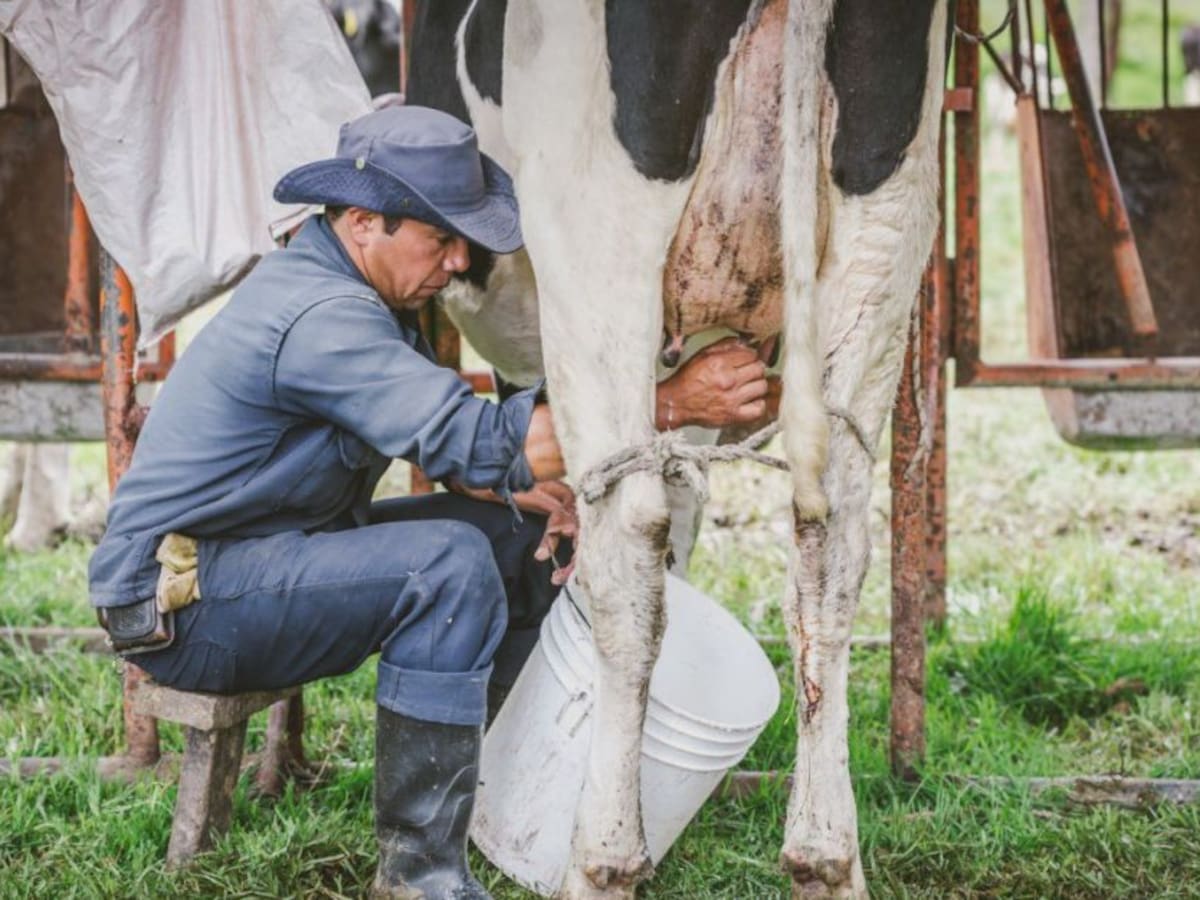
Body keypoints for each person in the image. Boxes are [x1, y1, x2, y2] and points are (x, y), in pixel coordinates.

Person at [89, 106, 771, 899]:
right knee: (446, 565)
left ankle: (513, 800)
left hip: (263, 557)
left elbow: (444, 446)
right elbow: (473, 437)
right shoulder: (322, 315)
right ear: (363, 221)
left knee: (513, 540)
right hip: (187, 605)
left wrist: (517, 488)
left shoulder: (350, 290)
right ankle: (417, 872)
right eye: (440, 238)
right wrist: (670, 403)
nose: (457, 262)